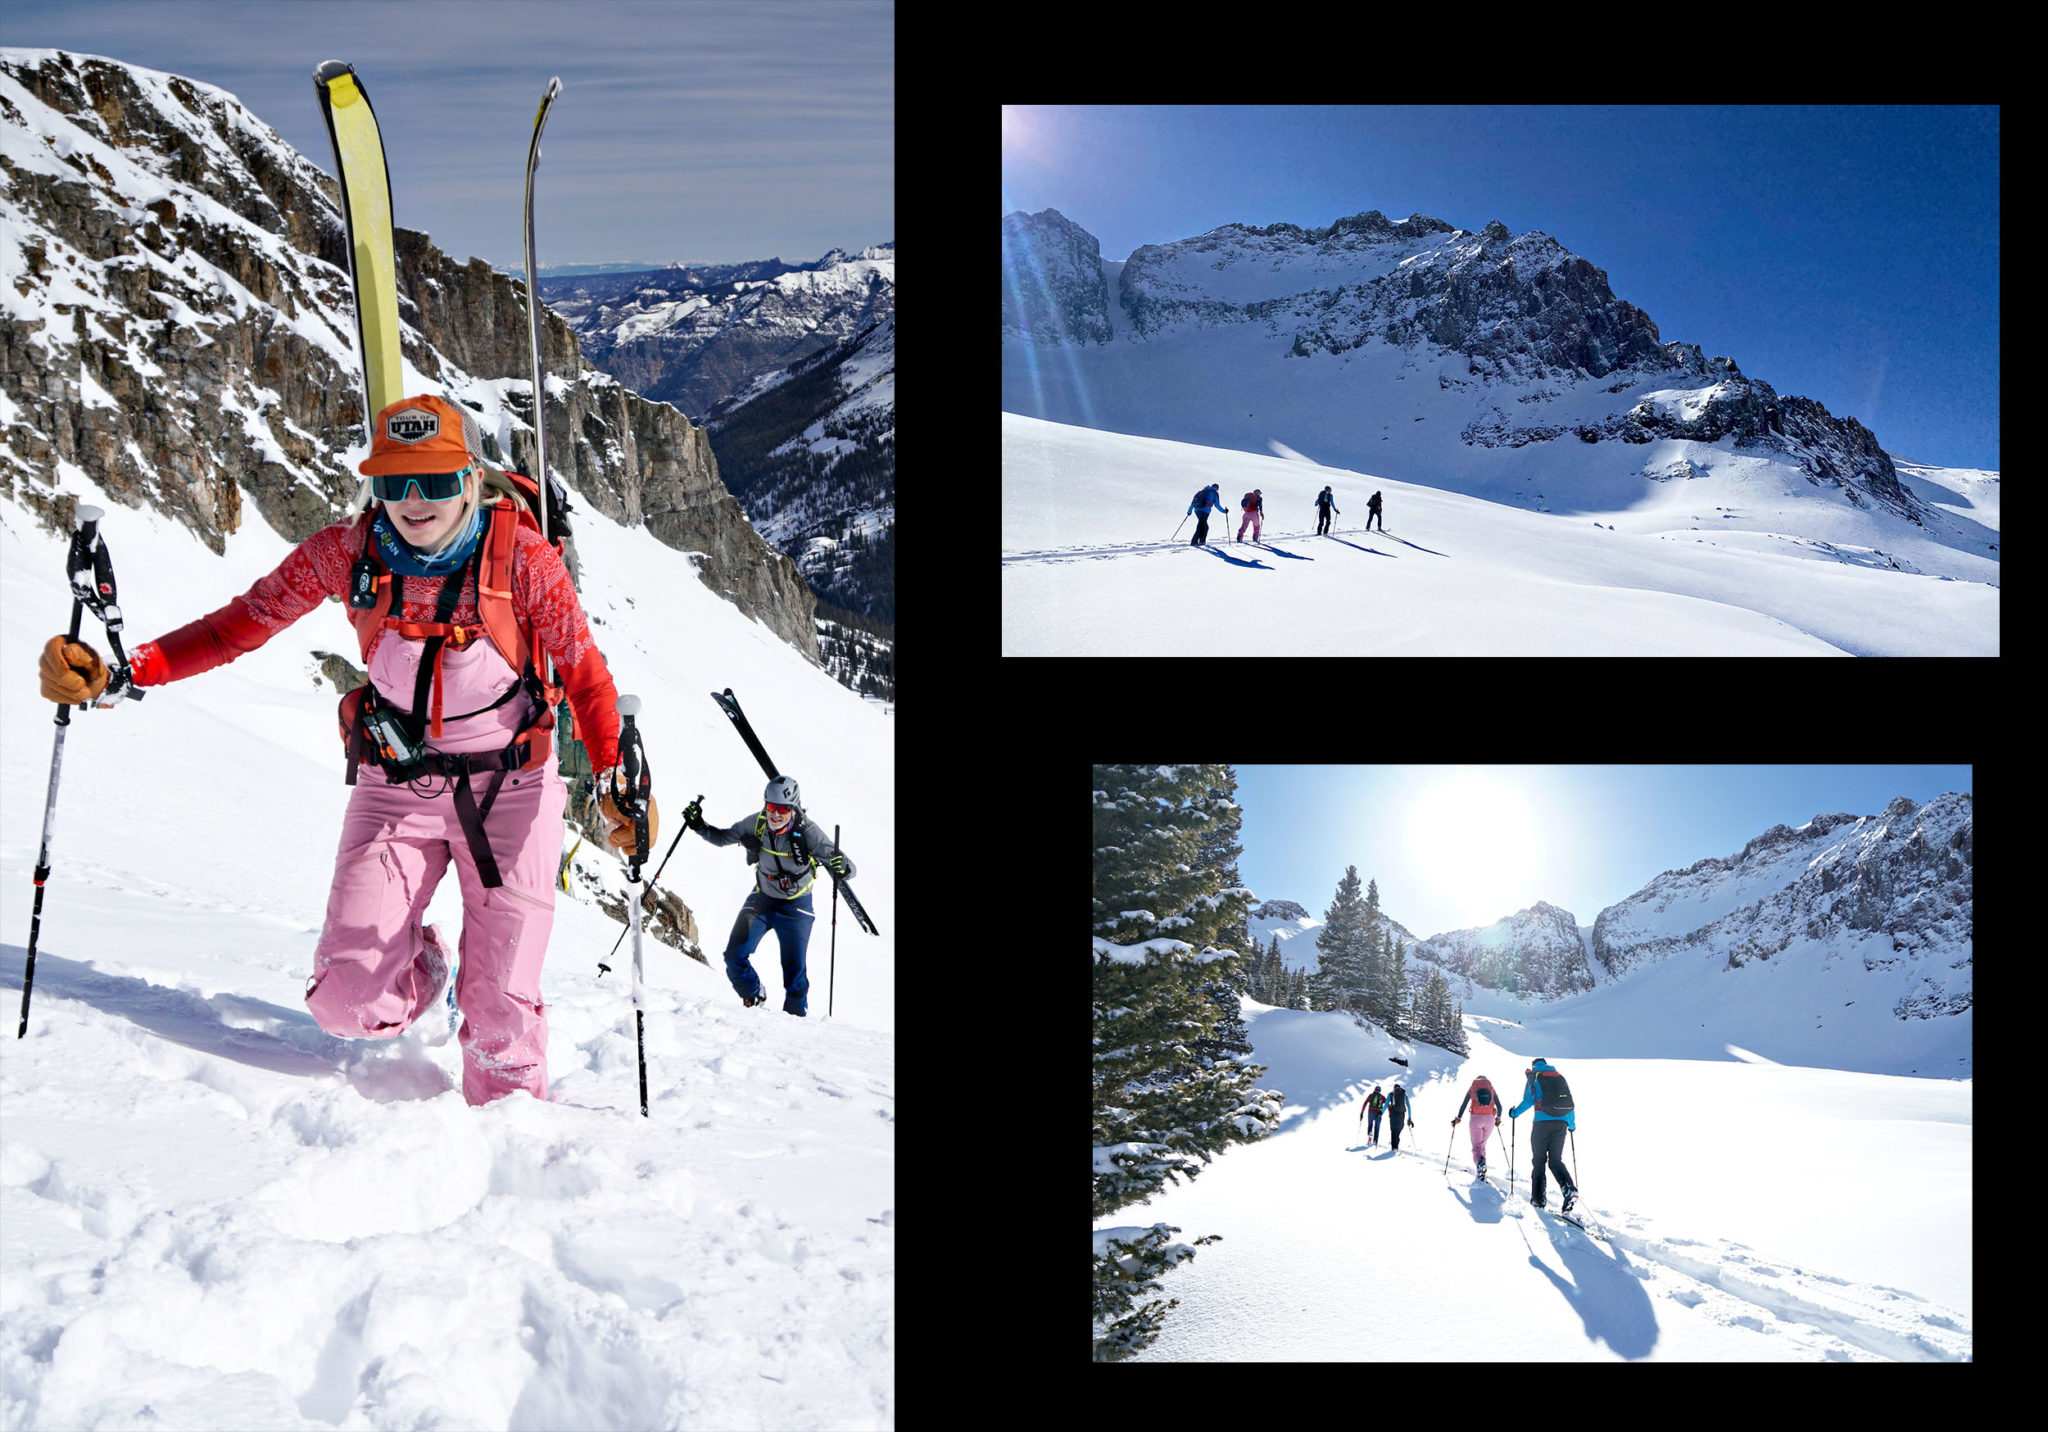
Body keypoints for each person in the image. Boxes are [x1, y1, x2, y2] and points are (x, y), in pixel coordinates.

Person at [36, 393, 650, 1106]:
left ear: (473, 481)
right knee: (347, 1002)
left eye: (435, 481)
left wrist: (614, 777)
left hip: (511, 789)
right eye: (394, 482)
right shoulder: (347, 552)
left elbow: (583, 672)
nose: (413, 501)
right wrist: (124, 670)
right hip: (396, 783)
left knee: (502, 1013)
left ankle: (508, 1155)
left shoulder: (523, 559)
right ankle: (428, 970)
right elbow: (241, 624)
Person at [681, 777, 855, 1016]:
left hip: (797, 907)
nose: (776, 814)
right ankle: (753, 995)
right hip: (762, 899)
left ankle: (794, 1022)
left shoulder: (809, 832)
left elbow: (847, 868)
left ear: (793, 807)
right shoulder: (757, 824)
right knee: (734, 956)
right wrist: (698, 825)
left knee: (794, 975)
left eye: (783, 809)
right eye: (771, 807)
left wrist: (842, 867)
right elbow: (722, 838)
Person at [1506, 1057, 1578, 1211]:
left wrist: (1514, 1113)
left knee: (1539, 1161)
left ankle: (1538, 1200)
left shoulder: (1535, 1076)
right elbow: (1569, 1104)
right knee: (1555, 1161)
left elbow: (1528, 1100)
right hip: (1562, 1124)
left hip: (1542, 1124)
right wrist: (1571, 1125)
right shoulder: (1559, 1077)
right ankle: (1569, 1189)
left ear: (1534, 1065)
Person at [1450, 1073, 1502, 1179]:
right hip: (1490, 1119)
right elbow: (1500, 1106)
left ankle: (1480, 1165)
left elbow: (1464, 1104)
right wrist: (1498, 1119)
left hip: (1475, 1119)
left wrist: (1458, 1118)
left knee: (1477, 1146)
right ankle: (1481, 1168)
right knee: (1482, 1145)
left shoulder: (1473, 1087)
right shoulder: (1490, 1088)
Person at [1385, 1081, 1410, 1151]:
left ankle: (1394, 1148)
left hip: (1393, 1114)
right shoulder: (1404, 1094)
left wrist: (1381, 1113)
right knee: (1398, 1130)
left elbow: (1386, 1104)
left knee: (1393, 1131)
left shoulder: (1391, 1094)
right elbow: (1409, 1106)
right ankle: (1396, 1143)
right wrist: (1410, 1117)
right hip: (1402, 1114)